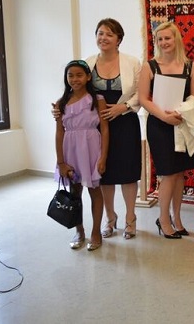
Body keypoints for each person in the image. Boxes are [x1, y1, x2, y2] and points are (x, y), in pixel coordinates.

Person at [139, 21, 194, 239]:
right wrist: (164, 116)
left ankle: (177, 217)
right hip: (159, 126)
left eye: (168, 38)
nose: (164, 42)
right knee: (168, 174)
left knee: (180, 173)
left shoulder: (190, 66)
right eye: (160, 39)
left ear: (176, 39)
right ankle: (163, 219)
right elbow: (143, 99)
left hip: (182, 123)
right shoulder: (149, 66)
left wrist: (180, 113)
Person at [86, 19, 142, 240]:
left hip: (125, 122)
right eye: (100, 33)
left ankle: (130, 219)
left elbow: (141, 92)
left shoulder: (132, 62)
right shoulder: (88, 63)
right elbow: (77, 90)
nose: (104, 38)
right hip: (98, 126)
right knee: (104, 173)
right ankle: (110, 218)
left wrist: (124, 107)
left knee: (128, 173)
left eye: (109, 34)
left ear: (119, 39)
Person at [55, 60, 109, 251]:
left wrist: (103, 157)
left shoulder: (97, 100)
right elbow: (59, 132)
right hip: (70, 150)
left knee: (95, 190)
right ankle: (79, 231)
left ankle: (96, 232)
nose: (74, 79)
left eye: (79, 75)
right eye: (70, 75)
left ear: (87, 77)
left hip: (91, 148)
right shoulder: (61, 103)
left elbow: (105, 128)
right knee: (74, 192)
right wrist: (61, 162)